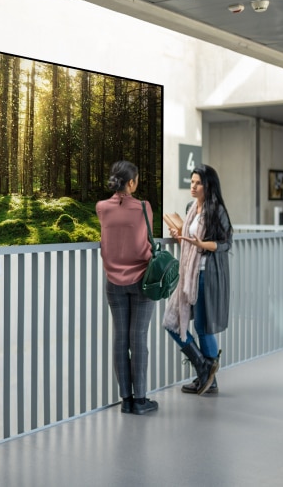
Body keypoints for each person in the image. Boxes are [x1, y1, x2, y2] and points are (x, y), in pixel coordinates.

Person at [163, 164, 232, 395]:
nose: (193, 186)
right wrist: (179, 235)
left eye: (198, 183)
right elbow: (189, 242)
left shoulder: (216, 210)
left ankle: (208, 379)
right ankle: (205, 370)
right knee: (172, 322)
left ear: (208, 185)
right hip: (189, 274)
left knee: (203, 328)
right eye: (191, 182)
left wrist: (202, 245)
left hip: (207, 274)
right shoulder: (191, 208)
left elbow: (225, 243)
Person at [96, 160, 158, 415]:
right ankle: (141, 399)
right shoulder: (144, 207)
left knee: (121, 339)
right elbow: (147, 241)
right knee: (138, 338)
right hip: (143, 281)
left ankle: (126, 399)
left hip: (113, 282)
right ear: (131, 183)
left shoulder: (102, 208)